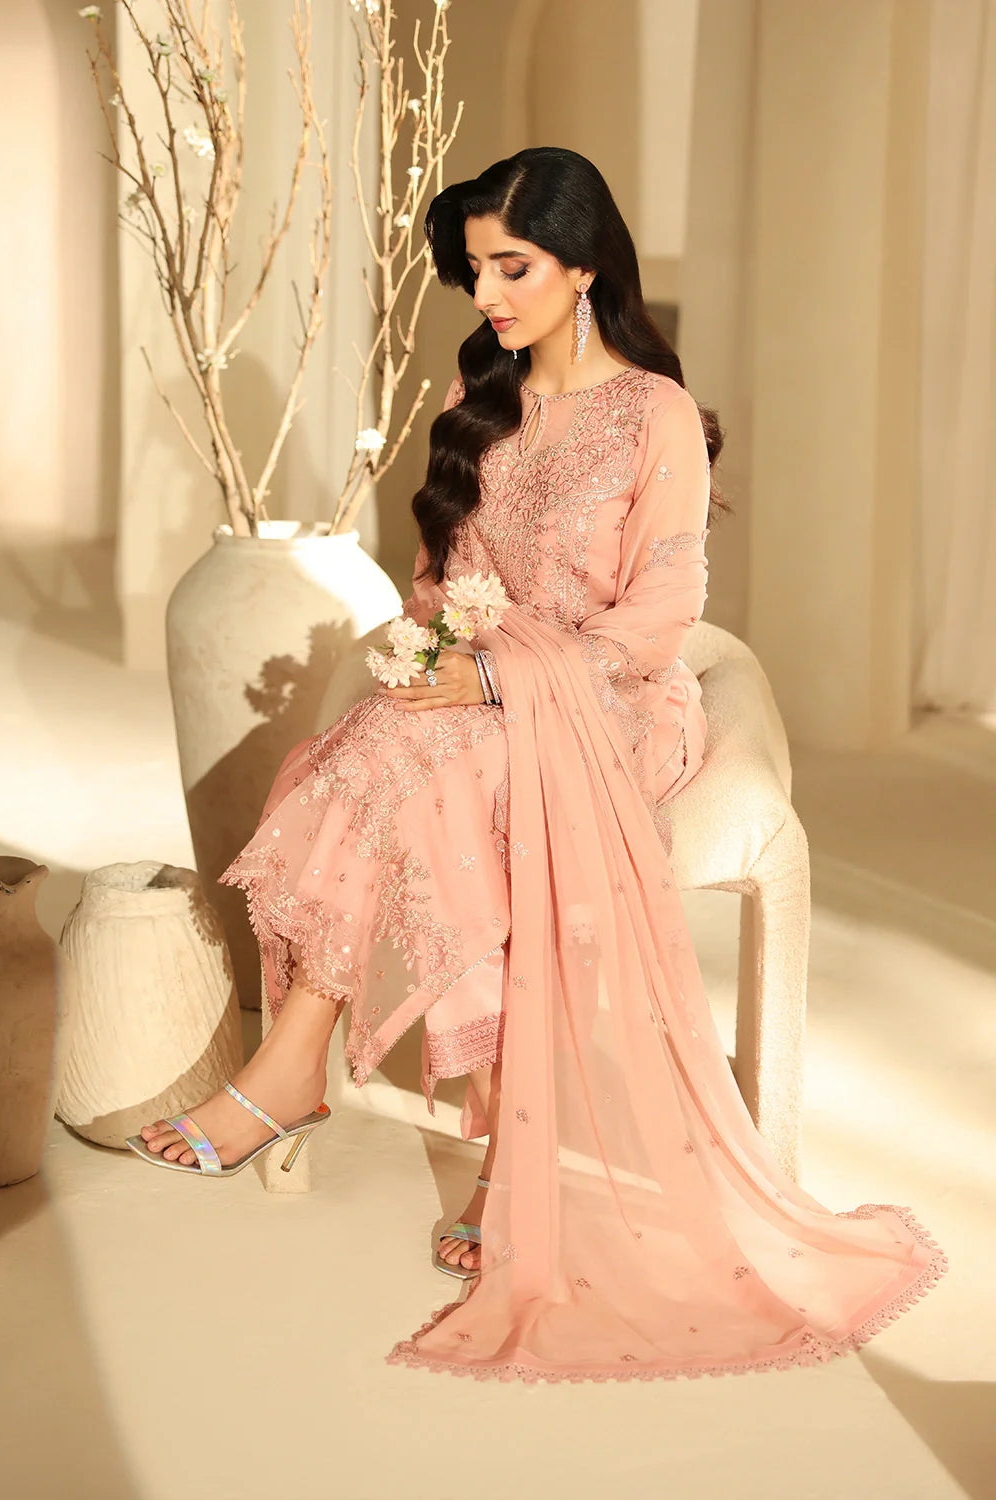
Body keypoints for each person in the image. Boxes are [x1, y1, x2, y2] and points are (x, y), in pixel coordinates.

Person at [129, 147, 947, 1383]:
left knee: (434, 762)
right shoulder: (482, 389)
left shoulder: (653, 413)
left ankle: (326, 1082)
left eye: (511, 267)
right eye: (474, 271)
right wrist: (433, 653)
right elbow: (438, 577)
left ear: (582, 264)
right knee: (386, 744)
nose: (487, 295)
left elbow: (663, 613)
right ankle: (374, 1094)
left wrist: (501, 681)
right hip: (475, 685)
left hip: (612, 699)